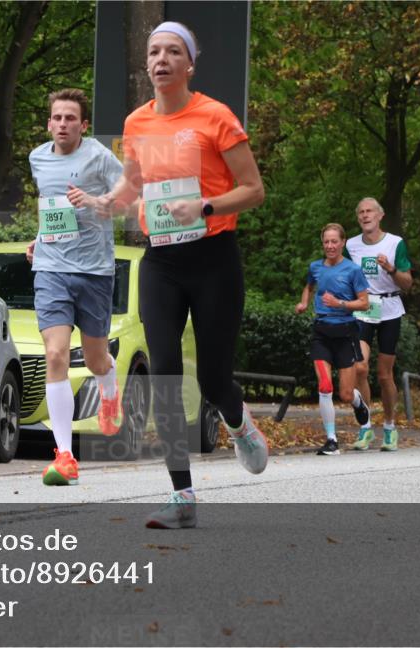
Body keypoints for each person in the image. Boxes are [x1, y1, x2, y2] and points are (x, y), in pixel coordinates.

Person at [81, 21, 269, 528]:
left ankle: (239, 423)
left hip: (213, 258)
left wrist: (205, 206)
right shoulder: (137, 123)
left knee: (212, 378)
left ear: (190, 64)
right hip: (161, 262)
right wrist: (105, 203)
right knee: (163, 371)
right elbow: (132, 185)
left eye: (172, 52)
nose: (160, 60)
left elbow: (253, 190)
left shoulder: (215, 116)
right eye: (153, 52)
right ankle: (182, 496)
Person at [25, 88, 125, 486]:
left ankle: (109, 390)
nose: (63, 124)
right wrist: (39, 238)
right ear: (49, 123)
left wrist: (95, 201)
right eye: (57, 118)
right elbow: (51, 208)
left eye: (70, 118)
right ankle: (64, 455)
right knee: (55, 354)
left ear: (83, 125)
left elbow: (126, 199)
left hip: (94, 271)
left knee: (97, 359)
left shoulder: (99, 157)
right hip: (51, 269)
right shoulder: (37, 158)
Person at [295, 223, 371, 456]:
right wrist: (304, 303)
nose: (330, 246)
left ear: (343, 243)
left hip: (345, 333)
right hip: (321, 332)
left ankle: (358, 402)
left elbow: (364, 303)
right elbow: (309, 287)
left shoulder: (353, 270)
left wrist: (340, 304)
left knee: (345, 394)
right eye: (326, 242)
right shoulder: (315, 267)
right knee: (325, 386)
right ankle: (331, 440)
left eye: (334, 241)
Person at [344, 198, 413, 451]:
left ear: (380, 215)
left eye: (369, 211)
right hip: (363, 308)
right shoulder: (351, 245)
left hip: (389, 309)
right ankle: (365, 427)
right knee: (360, 367)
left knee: (384, 375)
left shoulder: (395, 243)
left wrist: (391, 269)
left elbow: (408, 283)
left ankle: (390, 427)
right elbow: (341, 274)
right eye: (361, 212)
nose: (365, 215)